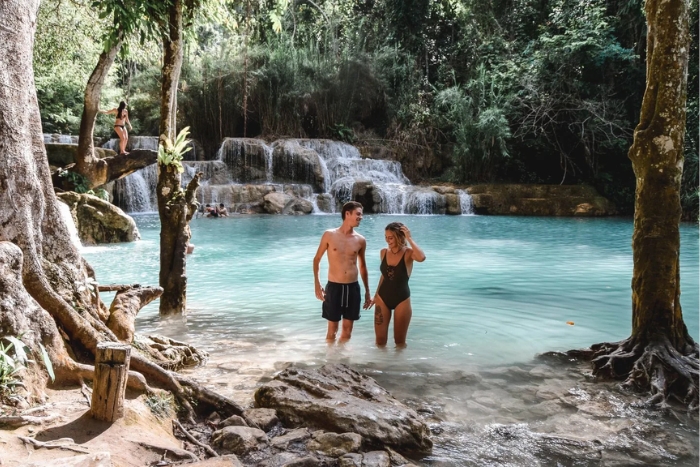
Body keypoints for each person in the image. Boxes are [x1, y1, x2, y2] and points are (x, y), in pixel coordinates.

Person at [313, 201, 372, 343]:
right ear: (347, 214)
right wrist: (317, 284)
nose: (361, 217)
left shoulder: (361, 240)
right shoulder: (329, 235)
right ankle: (329, 355)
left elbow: (363, 266)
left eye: (361, 215)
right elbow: (317, 259)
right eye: (358, 214)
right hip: (334, 287)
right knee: (332, 330)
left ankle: (341, 356)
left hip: (353, 288)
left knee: (347, 331)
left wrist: (367, 291)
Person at [373, 222, 426, 348]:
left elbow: (422, 257)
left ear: (399, 237)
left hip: (402, 299)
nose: (387, 240)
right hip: (382, 297)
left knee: (399, 342)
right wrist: (375, 295)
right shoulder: (383, 252)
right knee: (380, 341)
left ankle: (399, 361)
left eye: (390, 237)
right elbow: (384, 275)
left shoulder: (408, 253)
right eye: (386, 237)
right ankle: (380, 360)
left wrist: (409, 238)